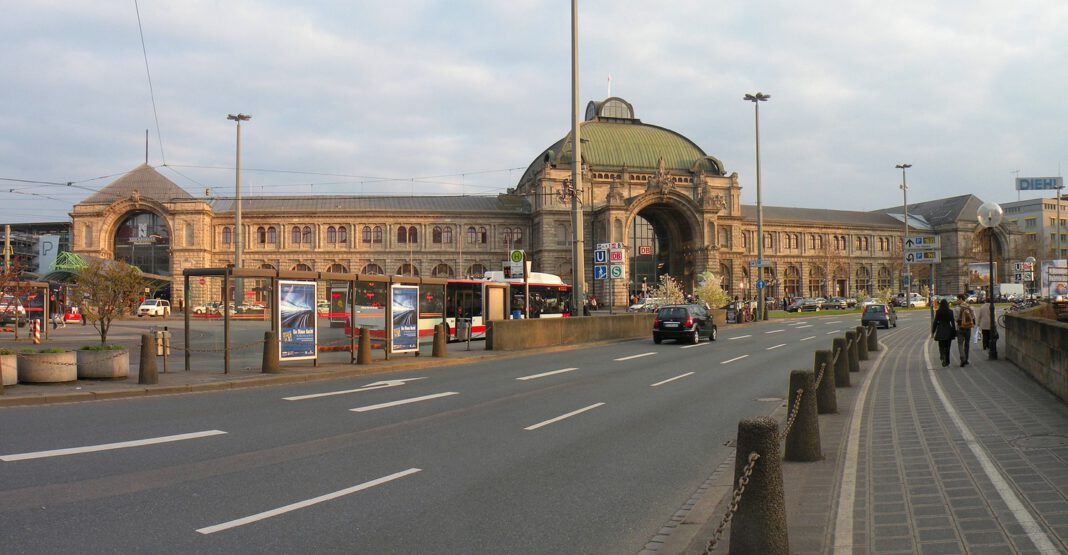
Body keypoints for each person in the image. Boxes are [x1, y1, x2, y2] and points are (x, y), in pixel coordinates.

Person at [932, 299, 956, 367]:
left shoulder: (938, 312)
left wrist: (933, 331)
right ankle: (947, 361)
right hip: (948, 330)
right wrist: (954, 332)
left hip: (940, 330)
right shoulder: (950, 312)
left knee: (941, 345)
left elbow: (935, 322)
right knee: (948, 347)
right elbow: (953, 322)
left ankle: (942, 355)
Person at [952, 293, 974, 367]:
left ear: (961, 299)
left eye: (958, 299)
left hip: (960, 327)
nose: (957, 300)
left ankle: (962, 358)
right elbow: (973, 317)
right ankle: (966, 359)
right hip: (968, 328)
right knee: (967, 344)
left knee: (960, 344)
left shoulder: (956, 308)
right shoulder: (970, 307)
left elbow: (955, 318)